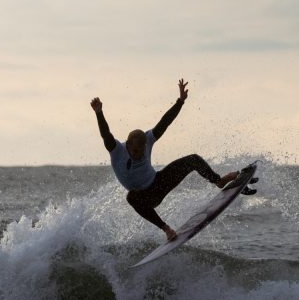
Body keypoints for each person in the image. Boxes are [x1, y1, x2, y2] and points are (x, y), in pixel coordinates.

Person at [90, 79, 237, 241]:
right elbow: (106, 134)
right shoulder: (116, 150)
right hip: (143, 198)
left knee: (193, 159)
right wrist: (99, 112)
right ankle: (166, 229)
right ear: (128, 144)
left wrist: (180, 101)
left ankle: (219, 181)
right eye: (136, 151)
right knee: (130, 197)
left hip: (159, 184)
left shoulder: (147, 140)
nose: (139, 154)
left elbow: (165, 122)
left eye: (142, 150)